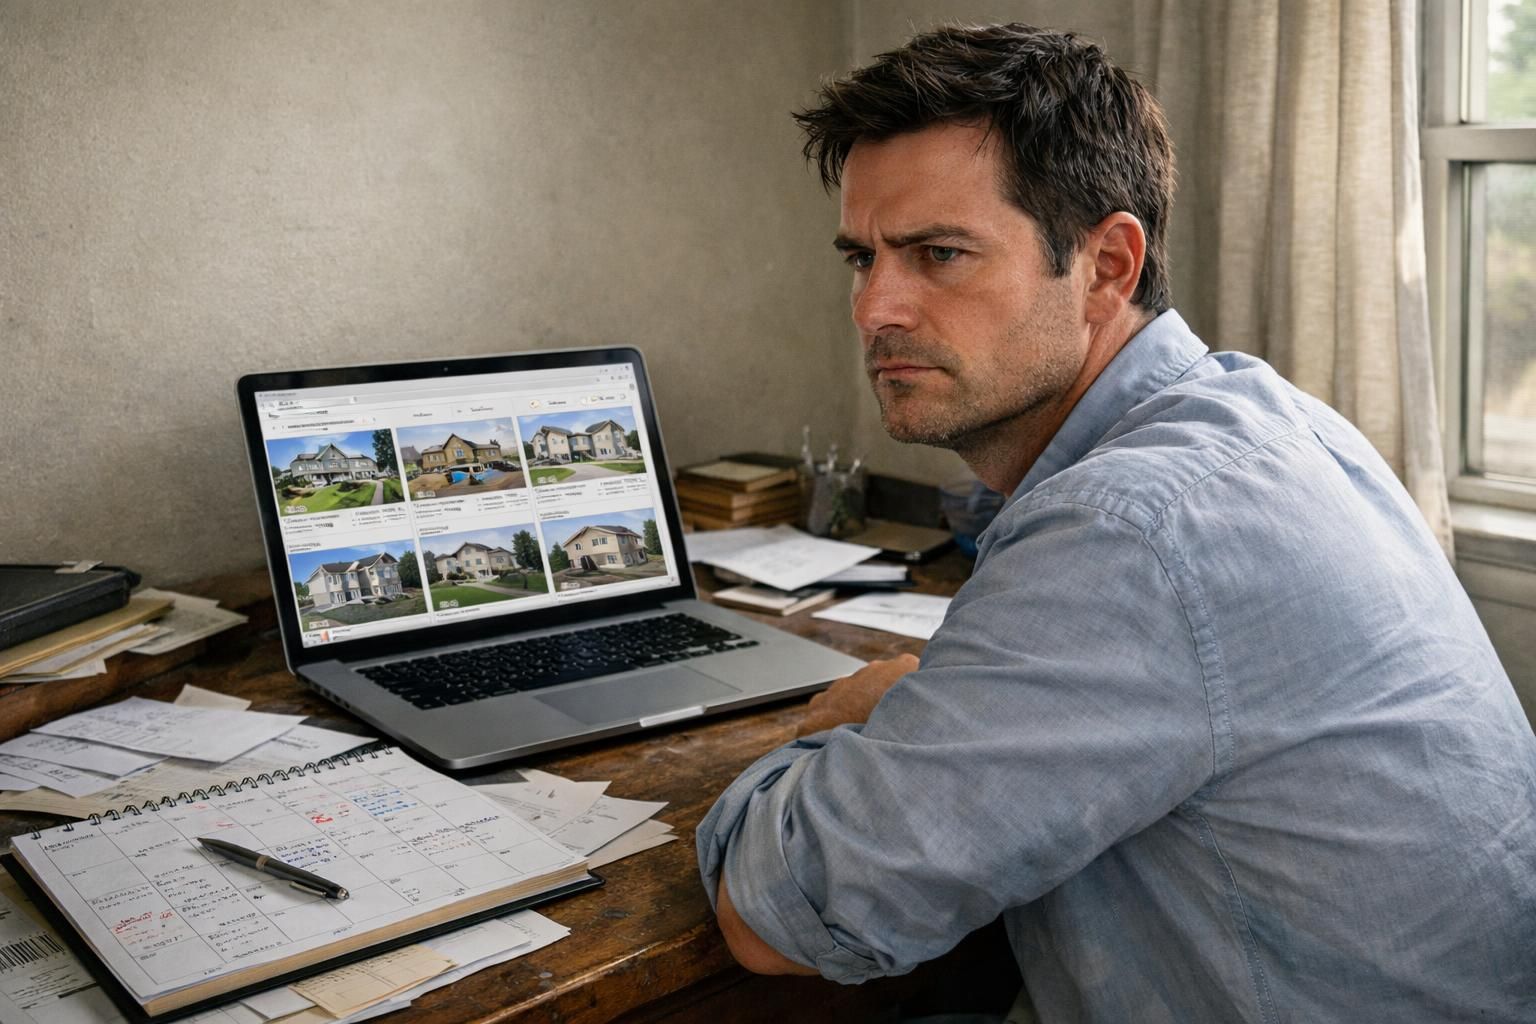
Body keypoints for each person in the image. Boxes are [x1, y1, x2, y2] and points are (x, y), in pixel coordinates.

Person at [697, 23, 1536, 1023]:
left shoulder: (1128, 528)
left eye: (938, 254)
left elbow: (778, 909)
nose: (875, 306)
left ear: (1107, 265)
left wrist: (846, 717)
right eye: (863, 258)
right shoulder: (1267, 416)